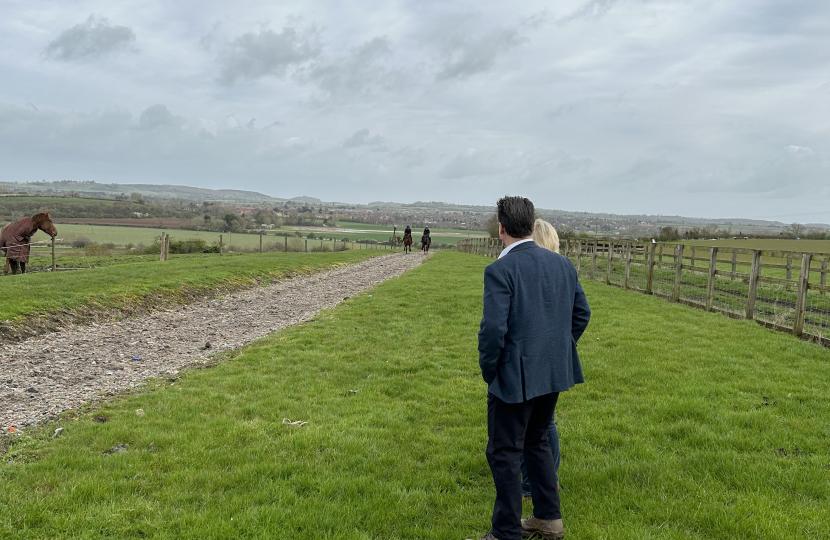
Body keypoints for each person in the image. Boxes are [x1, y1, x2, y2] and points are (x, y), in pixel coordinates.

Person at [467, 197, 591, 540]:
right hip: (553, 371)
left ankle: (506, 531)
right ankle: (549, 519)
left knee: (504, 452)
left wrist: (490, 370)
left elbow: (493, 330)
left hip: (513, 376)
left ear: (501, 228)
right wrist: (558, 351)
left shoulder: (500, 269)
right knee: (537, 442)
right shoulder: (562, 263)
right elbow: (581, 314)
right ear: (533, 225)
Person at [519, 219, 562, 498]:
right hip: (553, 356)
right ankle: (548, 479)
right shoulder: (562, 268)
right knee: (545, 421)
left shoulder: (535, 270)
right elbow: (580, 314)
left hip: (532, 354)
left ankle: (530, 484)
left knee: (532, 421)